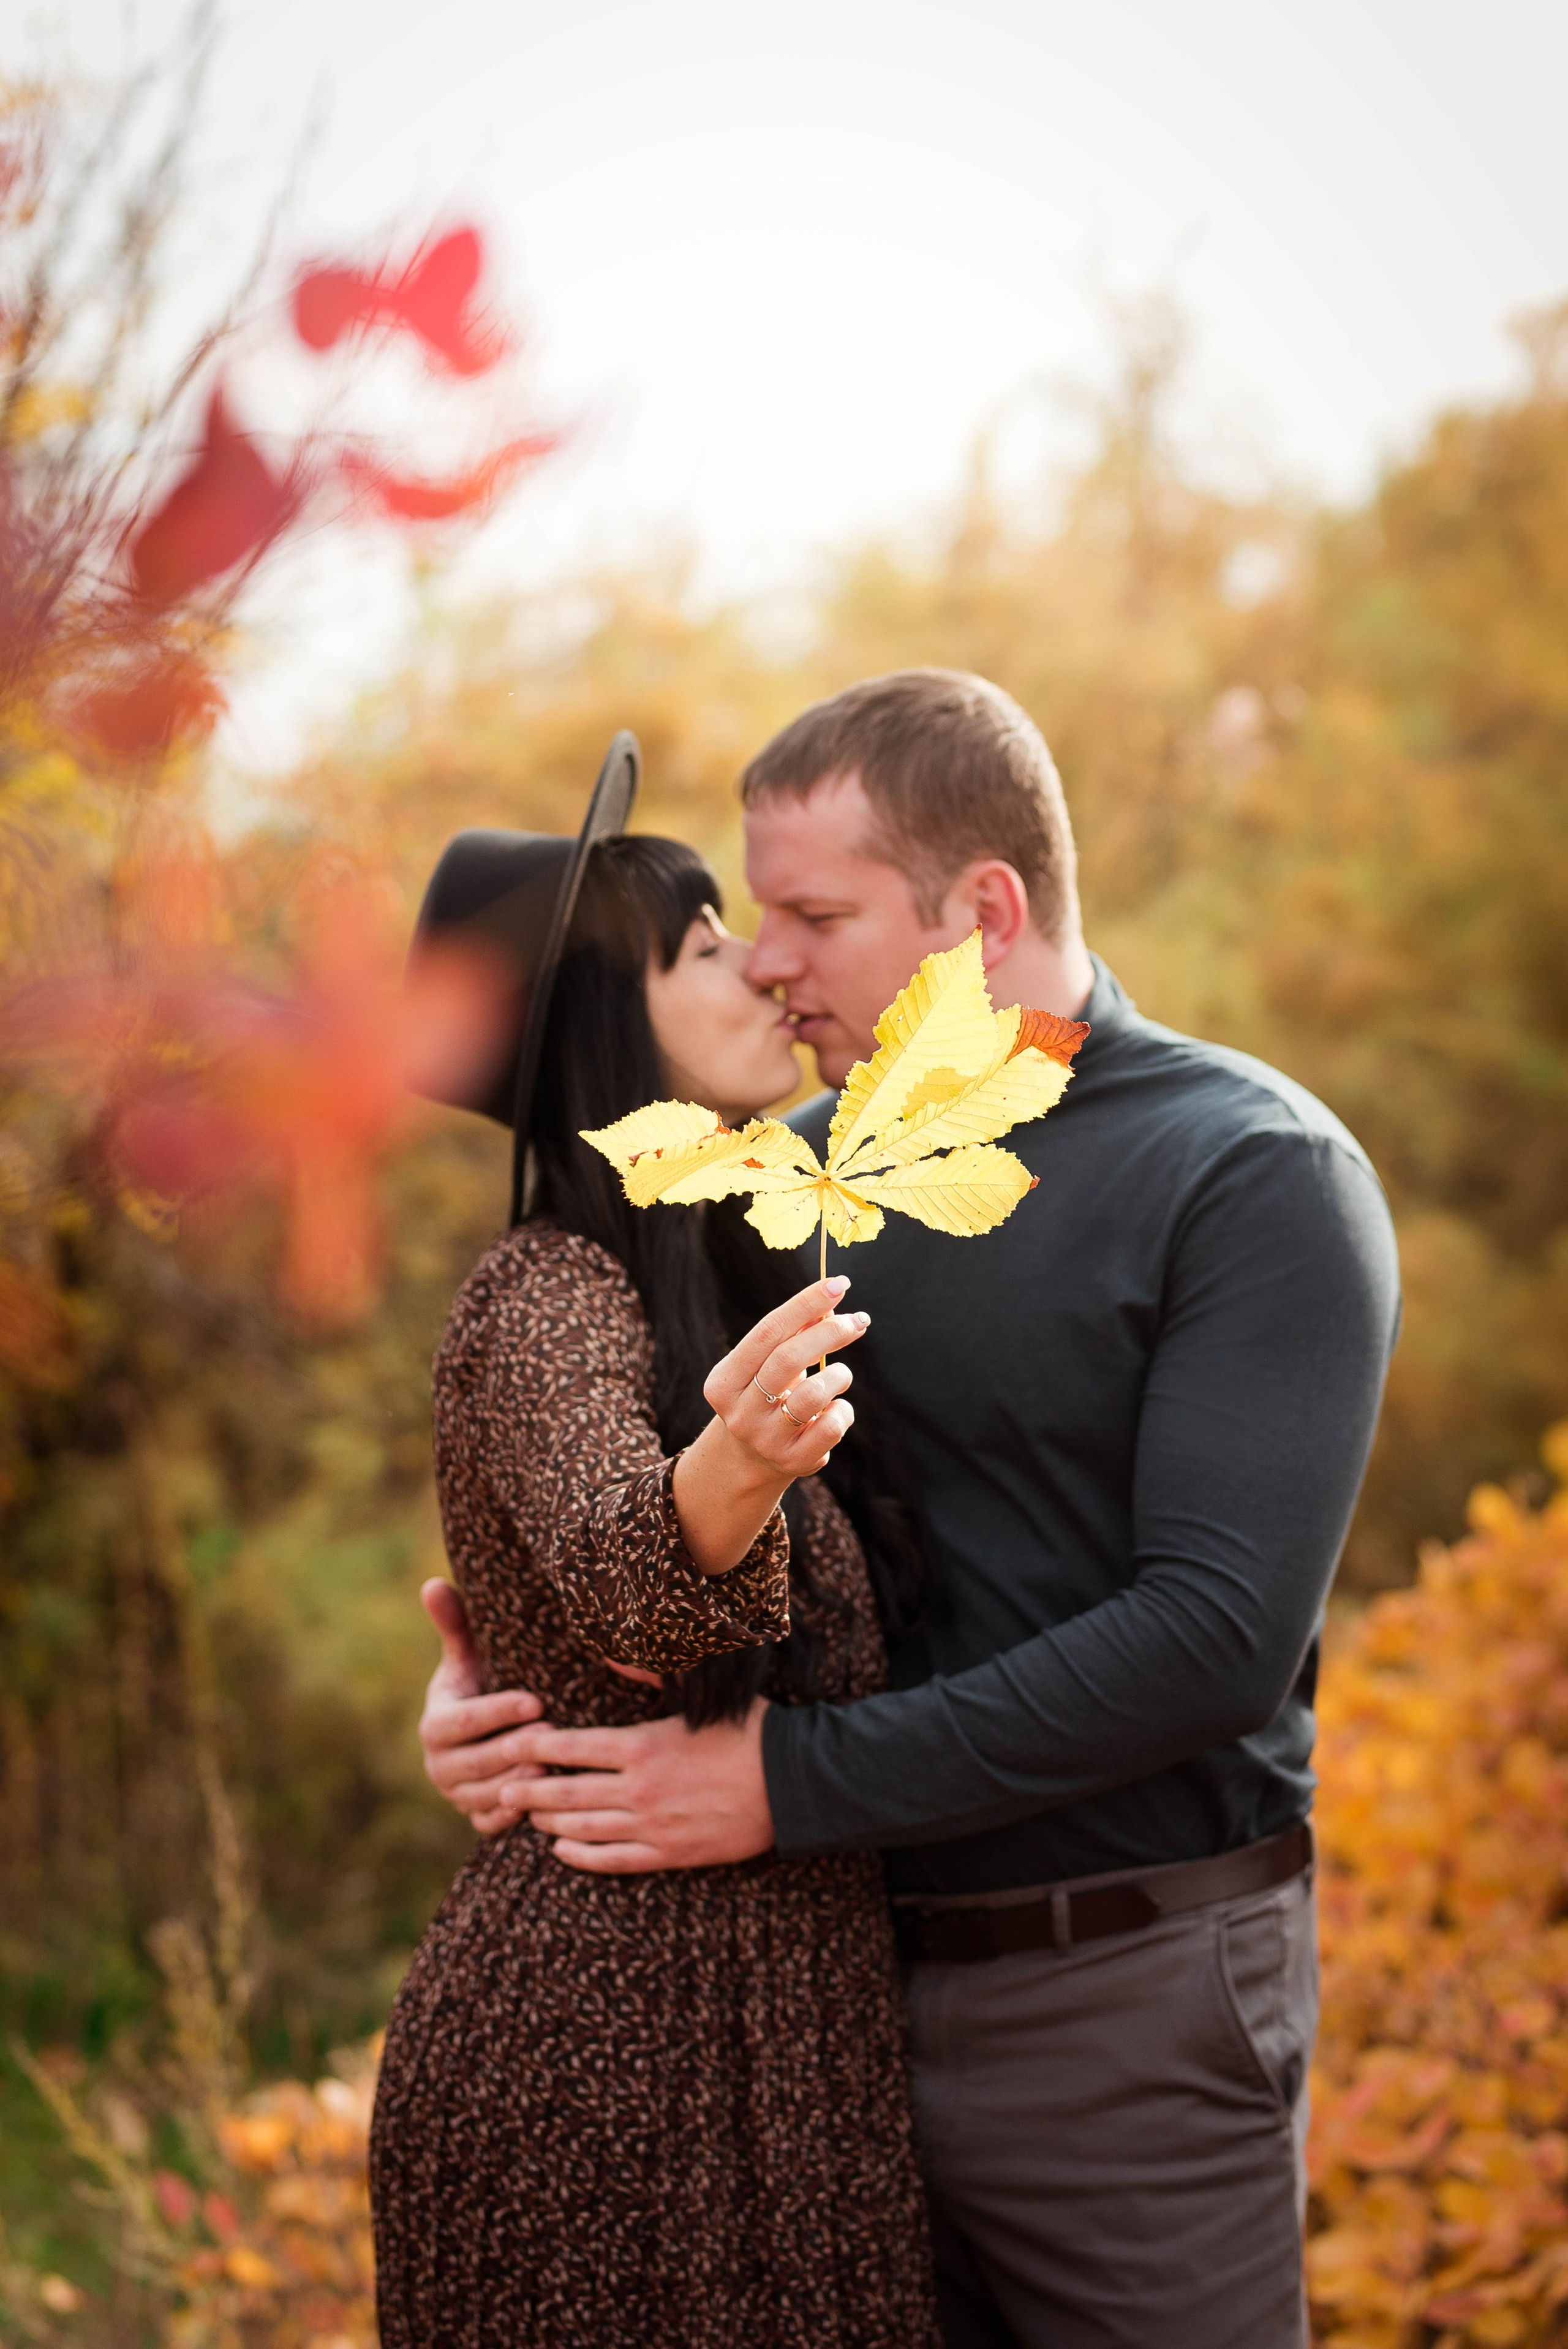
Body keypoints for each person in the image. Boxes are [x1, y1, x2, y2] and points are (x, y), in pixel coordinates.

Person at [420, 669, 1403, 2349]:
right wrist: (494, 1699)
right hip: (798, 2023)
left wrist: (780, 1785)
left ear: (984, 911)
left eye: (812, 913)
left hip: (1117, 2002)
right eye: (750, 923)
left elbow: (1216, 1640)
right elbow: (621, 1507)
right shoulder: (772, 1189)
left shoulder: (1245, 1175)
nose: (772, 959)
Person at [371, 793, 940, 2348]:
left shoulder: (737, 1255)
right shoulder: (544, 1291)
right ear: (604, 1034)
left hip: (771, 2028)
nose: (762, 968)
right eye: (702, 945)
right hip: (606, 2058)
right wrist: (739, 1460)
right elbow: (632, 1591)